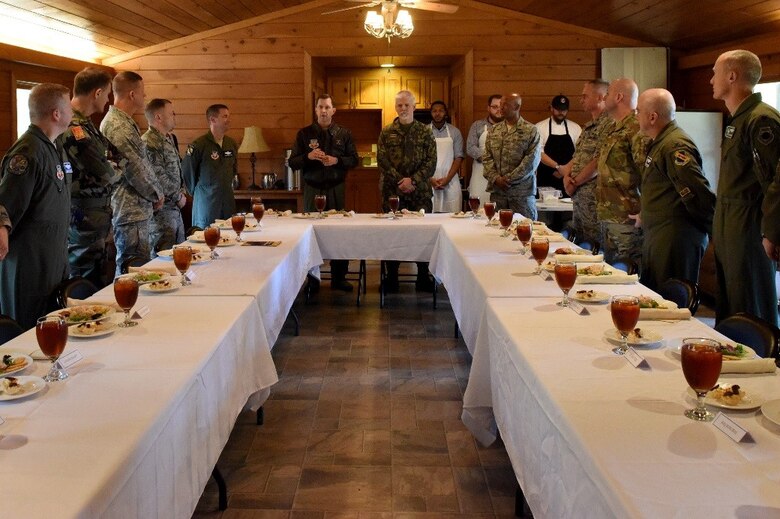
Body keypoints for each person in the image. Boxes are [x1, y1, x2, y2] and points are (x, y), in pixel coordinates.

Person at [711, 50, 780, 325]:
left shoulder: (761, 120)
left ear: (732, 76)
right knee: (731, 304)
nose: (711, 80)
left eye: (715, 73)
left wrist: (772, 232)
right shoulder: (739, 118)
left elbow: (776, 181)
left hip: (749, 224)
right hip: (730, 222)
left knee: (750, 305)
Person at [0, 83, 72, 329]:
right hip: (30, 263)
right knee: (29, 329)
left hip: (53, 257)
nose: (72, 111)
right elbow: (6, 201)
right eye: (68, 106)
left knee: (52, 327)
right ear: (56, 114)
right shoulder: (28, 151)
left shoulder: (53, 147)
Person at [633, 88, 716, 291]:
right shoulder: (661, 142)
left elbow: (697, 194)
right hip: (660, 235)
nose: (635, 116)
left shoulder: (674, 145)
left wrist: (714, 232)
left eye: (638, 111)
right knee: (655, 295)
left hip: (675, 238)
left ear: (652, 117)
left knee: (671, 301)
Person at [58, 67, 123, 288]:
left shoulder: (87, 126)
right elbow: (108, 174)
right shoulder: (74, 127)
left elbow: (119, 157)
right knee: (86, 282)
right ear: (97, 93)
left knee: (99, 278)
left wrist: (111, 166)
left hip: (97, 216)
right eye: (107, 94)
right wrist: (112, 167)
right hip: (83, 217)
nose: (108, 100)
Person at [289, 93, 359, 291]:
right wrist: (308, 156)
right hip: (313, 189)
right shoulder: (304, 134)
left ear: (333, 110)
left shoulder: (343, 133)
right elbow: (292, 162)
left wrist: (337, 160)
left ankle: (339, 277)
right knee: (310, 234)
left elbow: (354, 160)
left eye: (327, 107)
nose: (323, 111)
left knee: (339, 233)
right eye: (320, 107)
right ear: (316, 110)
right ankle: (312, 279)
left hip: (336, 188)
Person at [100, 71, 163, 274]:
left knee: (140, 269)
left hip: (136, 208)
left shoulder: (125, 121)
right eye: (142, 92)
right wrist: (156, 194)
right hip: (129, 210)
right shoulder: (118, 125)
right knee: (131, 271)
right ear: (132, 94)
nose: (145, 96)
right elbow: (135, 167)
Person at [377, 90, 437, 292]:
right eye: (399, 105)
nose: (403, 109)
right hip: (392, 193)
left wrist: (414, 180)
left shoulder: (425, 132)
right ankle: (391, 278)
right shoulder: (387, 132)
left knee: (422, 235)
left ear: (414, 107)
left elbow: (431, 161)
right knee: (391, 236)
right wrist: (400, 180)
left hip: (420, 193)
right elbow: (382, 161)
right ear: (395, 107)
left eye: (406, 105)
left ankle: (423, 276)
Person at [595, 78, 645, 265]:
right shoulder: (614, 127)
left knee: (628, 274)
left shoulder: (636, 128)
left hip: (627, 219)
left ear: (618, 97)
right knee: (610, 273)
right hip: (609, 216)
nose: (604, 98)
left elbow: (648, 174)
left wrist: (644, 212)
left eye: (607, 94)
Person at [560, 80, 613, 245]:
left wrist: (574, 182)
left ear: (600, 97)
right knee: (580, 245)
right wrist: (566, 177)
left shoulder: (609, 124)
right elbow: (577, 157)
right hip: (580, 199)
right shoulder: (589, 126)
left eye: (585, 96)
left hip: (594, 200)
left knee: (594, 246)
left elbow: (598, 161)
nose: (581, 100)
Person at [482, 93, 541, 220]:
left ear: (516, 107)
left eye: (505, 105)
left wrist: (509, 179)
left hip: (521, 195)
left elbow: (531, 161)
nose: (501, 108)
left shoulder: (531, 130)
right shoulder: (494, 130)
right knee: (496, 229)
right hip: (498, 194)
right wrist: (496, 178)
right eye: (500, 104)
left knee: (523, 229)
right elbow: (486, 157)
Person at [182, 104, 238, 229]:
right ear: (213, 119)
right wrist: (201, 192)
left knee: (230, 235)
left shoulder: (231, 144)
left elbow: (233, 170)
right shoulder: (199, 145)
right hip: (207, 205)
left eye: (228, 116)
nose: (229, 120)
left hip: (227, 203)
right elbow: (187, 172)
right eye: (225, 116)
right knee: (204, 236)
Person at [143, 98, 186, 254]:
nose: (174, 116)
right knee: (162, 257)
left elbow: (176, 170)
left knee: (179, 255)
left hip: (174, 211)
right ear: (158, 117)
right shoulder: (149, 142)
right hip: (161, 214)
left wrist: (182, 192)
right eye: (171, 113)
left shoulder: (168, 138)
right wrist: (178, 196)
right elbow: (158, 177)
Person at [535, 94, 582, 193]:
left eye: (564, 110)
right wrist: (558, 167)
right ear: (551, 108)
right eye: (558, 109)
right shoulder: (539, 127)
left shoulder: (576, 128)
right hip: (545, 179)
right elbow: (539, 152)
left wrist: (566, 170)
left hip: (569, 179)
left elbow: (580, 152)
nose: (561, 112)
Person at [466, 94, 503, 205]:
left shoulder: (510, 126)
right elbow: (470, 147)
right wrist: (490, 159)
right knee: (478, 207)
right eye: (495, 107)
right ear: (488, 108)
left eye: (501, 107)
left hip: (501, 175)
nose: (498, 110)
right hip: (480, 173)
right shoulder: (477, 125)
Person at [429, 100, 464, 213]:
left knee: (452, 216)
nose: (437, 113)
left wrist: (447, 179)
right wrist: (430, 179)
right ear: (431, 113)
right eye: (434, 111)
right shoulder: (424, 131)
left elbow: (459, 157)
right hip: (429, 181)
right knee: (429, 217)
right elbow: (419, 158)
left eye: (441, 111)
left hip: (451, 181)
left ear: (446, 113)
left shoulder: (455, 132)